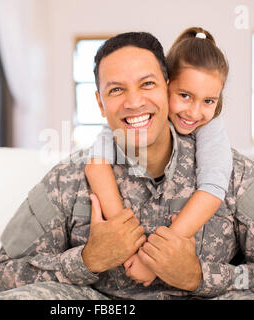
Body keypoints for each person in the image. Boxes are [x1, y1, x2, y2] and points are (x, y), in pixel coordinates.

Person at [0, 31, 254, 300]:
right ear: (99, 103)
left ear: (167, 85)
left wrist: (199, 277)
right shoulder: (69, 177)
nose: (134, 102)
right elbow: (6, 273)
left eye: (147, 84)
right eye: (116, 89)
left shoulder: (234, 174)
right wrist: (87, 260)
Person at [85, 27, 232, 287]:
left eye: (209, 101)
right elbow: (96, 167)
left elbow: (213, 187)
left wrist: (155, 258)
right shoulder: (123, 125)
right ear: (167, 88)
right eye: (184, 95)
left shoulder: (210, 127)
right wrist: (127, 246)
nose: (194, 112)